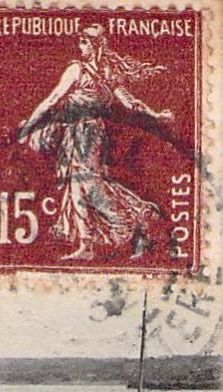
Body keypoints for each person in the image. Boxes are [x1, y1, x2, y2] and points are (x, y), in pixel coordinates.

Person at [16, 24, 171, 261]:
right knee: (75, 186)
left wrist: (156, 115)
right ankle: (86, 245)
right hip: (73, 134)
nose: (80, 47)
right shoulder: (82, 69)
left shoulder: (93, 72)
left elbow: (129, 103)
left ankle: (139, 219)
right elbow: (54, 100)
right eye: (80, 43)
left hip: (89, 135)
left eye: (84, 43)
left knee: (91, 186)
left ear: (95, 45)